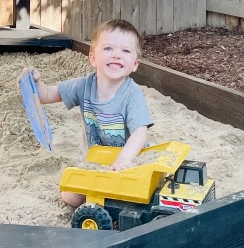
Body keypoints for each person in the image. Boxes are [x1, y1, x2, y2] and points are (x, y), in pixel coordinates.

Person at [27, 19, 153, 207]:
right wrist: (35, 83)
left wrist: (124, 159)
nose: (117, 55)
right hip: (95, 164)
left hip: (127, 166)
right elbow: (47, 95)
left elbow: (140, 132)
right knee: (70, 196)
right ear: (93, 58)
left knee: (131, 200)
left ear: (135, 64)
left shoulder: (131, 94)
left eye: (125, 51)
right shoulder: (83, 86)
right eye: (108, 48)